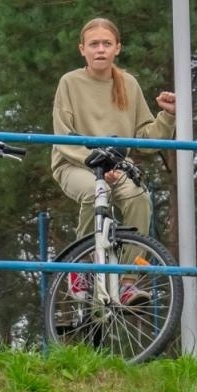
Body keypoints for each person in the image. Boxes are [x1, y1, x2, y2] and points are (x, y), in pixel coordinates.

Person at [51, 17, 177, 239]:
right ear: (82, 49)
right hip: (75, 164)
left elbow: (146, 139)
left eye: (107, 44)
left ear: (117, 48)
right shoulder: (69, 82)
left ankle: (130, 272)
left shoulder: (128, 84)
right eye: (94, 44)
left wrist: (168, 115)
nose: (101, 50)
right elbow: (63, 137)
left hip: (116, 166)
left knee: (139, 198)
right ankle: (83, 266)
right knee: (97, 191)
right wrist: (98, 165)